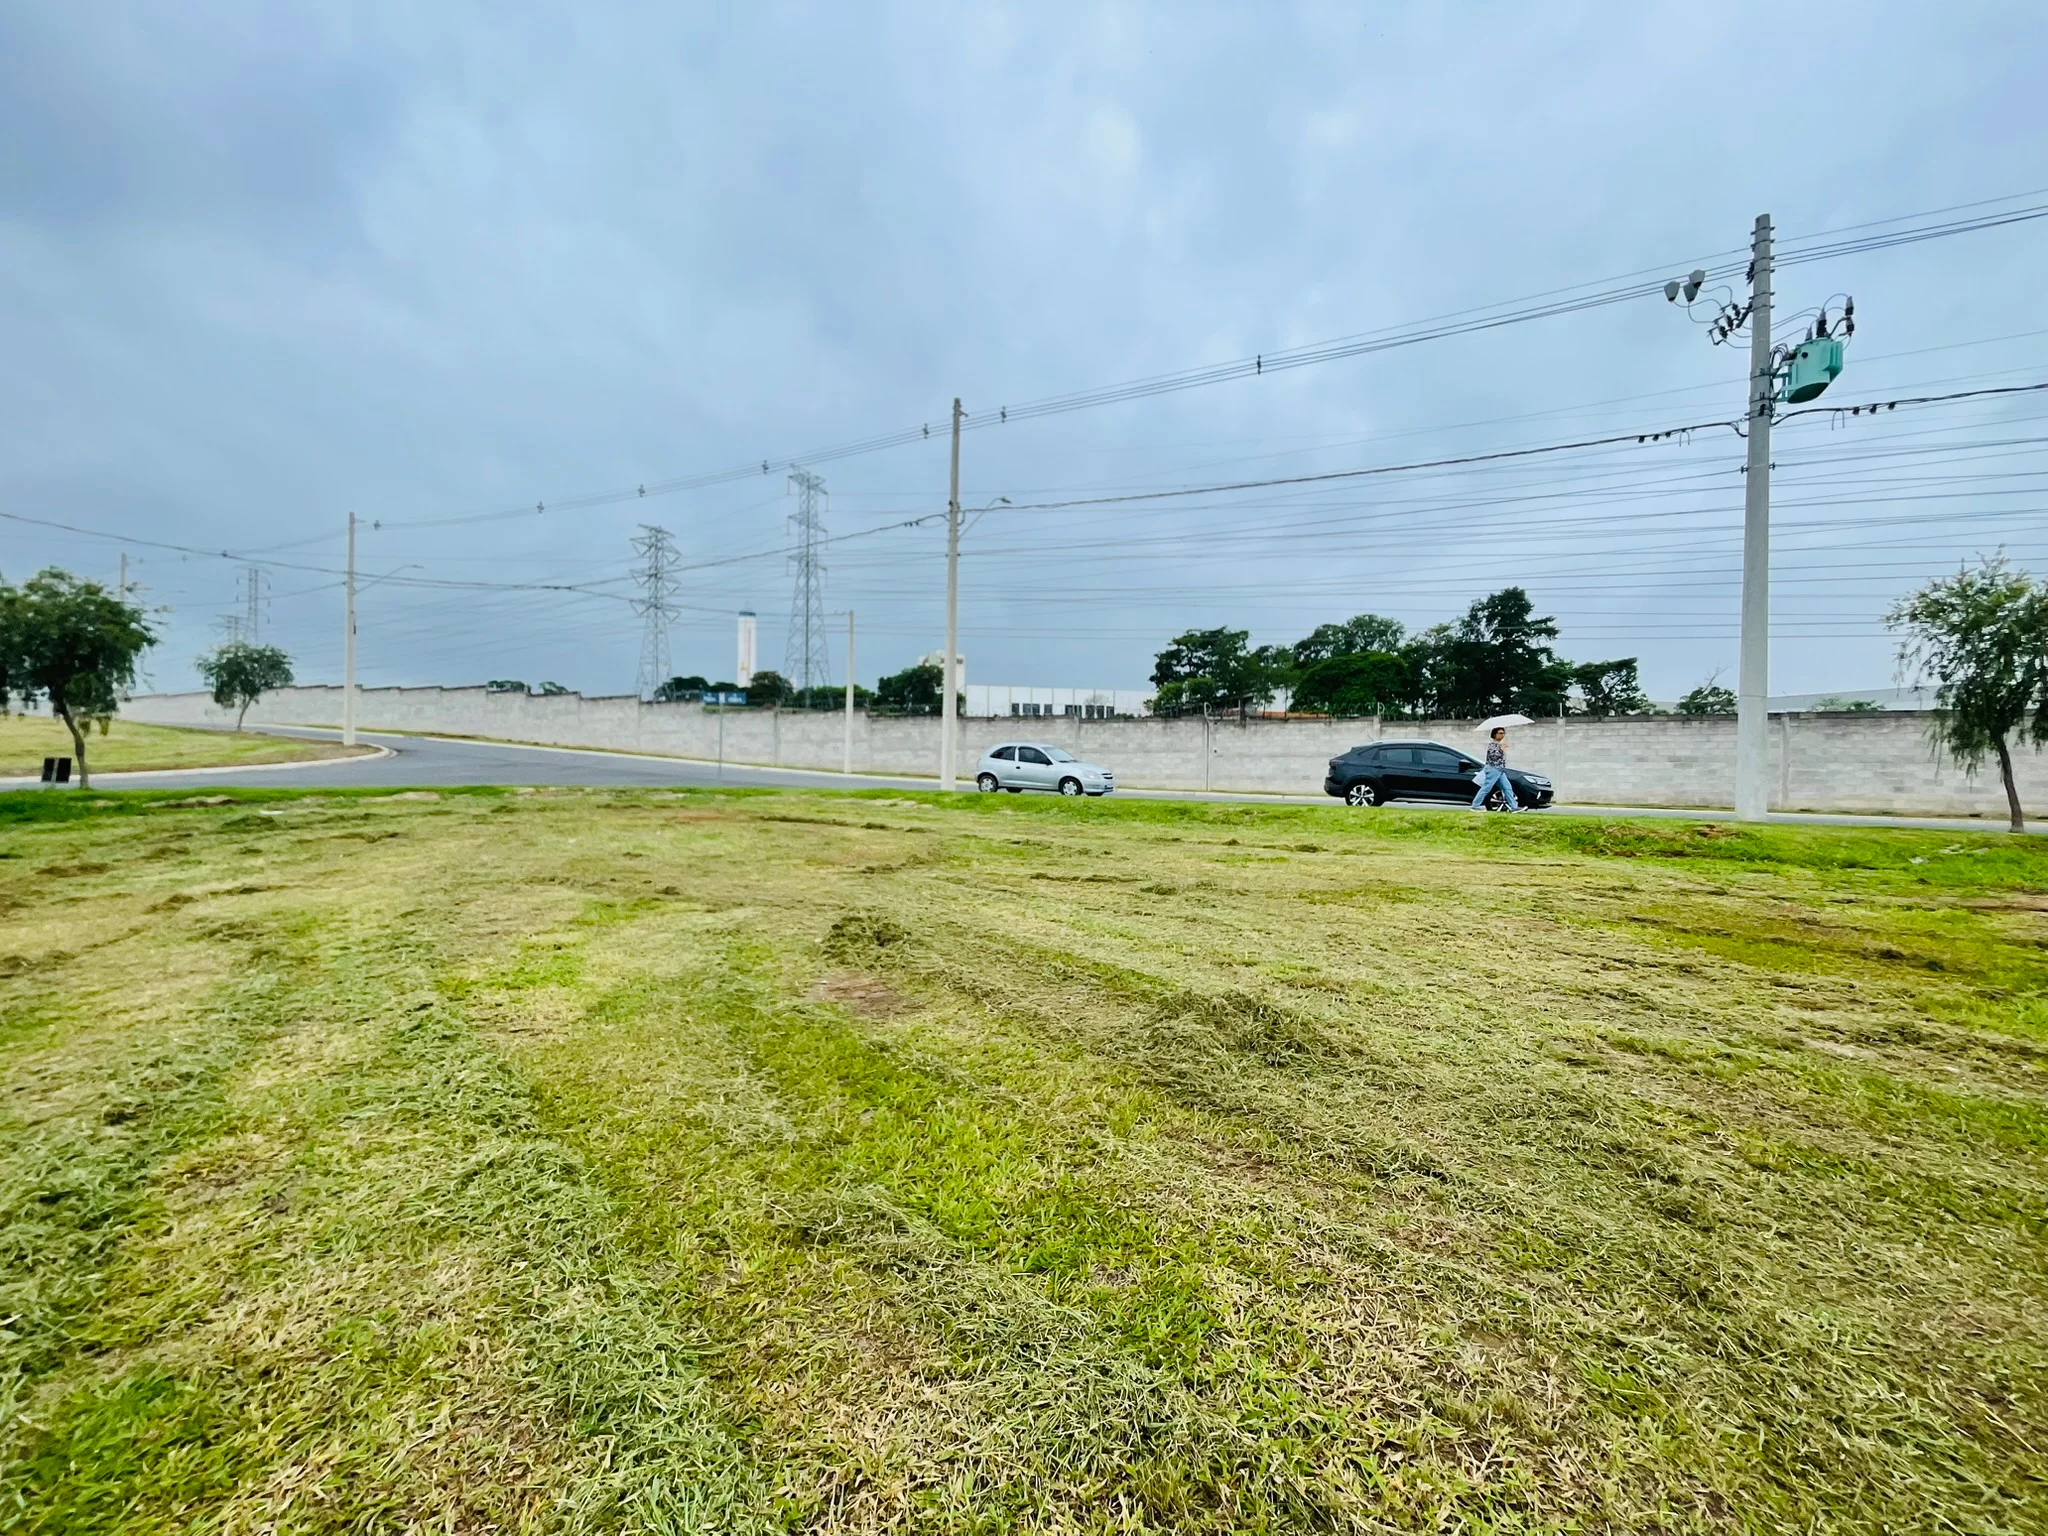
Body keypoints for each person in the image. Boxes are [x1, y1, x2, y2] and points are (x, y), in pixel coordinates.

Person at [1471, 726, 1520, 812]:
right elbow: (1493, 757)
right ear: (1495, 734)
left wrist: (1502, 749)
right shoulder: (1492, 745)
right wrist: (1502, 749)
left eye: (1503, 733)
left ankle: (1514, 807)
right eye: (1500, 733)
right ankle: (1475, 805)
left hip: (1500, 770)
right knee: (1486, 788)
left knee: (1507, 788)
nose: (1503, 735)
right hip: (1493, 769)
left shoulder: (1499, 745)